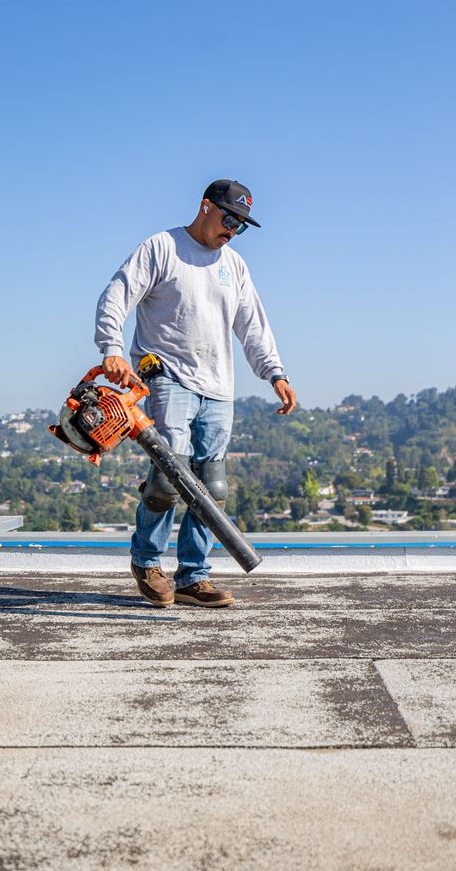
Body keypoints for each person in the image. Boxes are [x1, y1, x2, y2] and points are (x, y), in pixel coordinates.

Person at [94, 178, 297, 608]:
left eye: (241, 226)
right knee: (169, 478)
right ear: (206, 206)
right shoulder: (162, 248)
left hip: (219, 386)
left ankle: (193, 576)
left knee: (212, 487)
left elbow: (252, 325)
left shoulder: (234, 265)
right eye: (229, 220)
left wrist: (274, 373)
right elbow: (116, 294)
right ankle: (147, 562)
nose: (233, 231)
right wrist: (112, 348)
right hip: (168, 376)